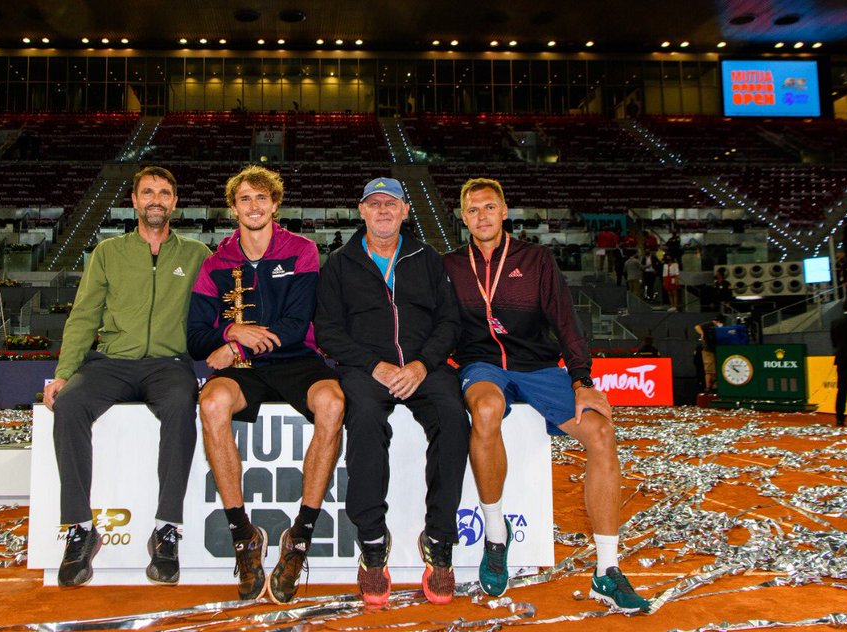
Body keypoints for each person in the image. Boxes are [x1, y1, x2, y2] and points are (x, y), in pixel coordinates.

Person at [443, 177, 650, 613]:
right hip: (482, 363)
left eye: (489, 207)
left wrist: (582, 380)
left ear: (504, 211)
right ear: (464, 218)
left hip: (538, 365)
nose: (482, 216)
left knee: (601, 432)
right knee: (485, 409)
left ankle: (607, 570)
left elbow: (566, 320)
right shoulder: (450, 265)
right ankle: (496, 535)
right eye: (473, 210)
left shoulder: (535, 259)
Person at [41, 166, 210, 587]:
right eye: (148, 192)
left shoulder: (197, 255)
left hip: (169, 365)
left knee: (180, 405)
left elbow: (219, 313)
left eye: (165, 192)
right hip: (112, 362)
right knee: (71, 404)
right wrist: (63, 374)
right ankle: (80, 529)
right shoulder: (107, 253)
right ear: (134, 201)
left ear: (175, 202)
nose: (156, 199)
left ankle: (167, 529)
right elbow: (83, 317)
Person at [187, 165, 345, 603]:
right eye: (245, 199)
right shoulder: (215, 263)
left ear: (275, 204)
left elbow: (295, 326)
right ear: (233, 207)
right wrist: (229, 334)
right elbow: (197, 338)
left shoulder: (302, 251)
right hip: (246, 372)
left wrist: (235, 348)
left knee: (332, 403)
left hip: (295, 359)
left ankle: (299, 538)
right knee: (212, 402)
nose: (254, 206)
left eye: (262, 198)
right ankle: (244, 536)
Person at [315, 178, 469, 606]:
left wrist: (422, 364)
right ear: (361, 211)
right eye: (374, 203)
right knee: (363, 419)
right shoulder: (339, 265)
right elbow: (327, 330)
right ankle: (372, 541)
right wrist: (374, 366)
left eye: (392, 203)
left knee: (454, 418)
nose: (383, 210)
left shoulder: (428, 259)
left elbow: (450, 323)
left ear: (405, 211)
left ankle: (439, 538)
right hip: (367, 368)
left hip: (425, 366)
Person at [830, 299, 847, 427]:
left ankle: (839, 418)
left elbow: (834, 342)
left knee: (842, 390)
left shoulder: (835, 322)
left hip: (842, 360)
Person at [694, 315, 724, 393]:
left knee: (715, 370)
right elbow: (697, 327)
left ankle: (715, 386)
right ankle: (708, 387)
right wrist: (702, 334)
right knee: (709, 370)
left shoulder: (719, 329)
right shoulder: (709, 324)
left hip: (716, 349)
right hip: (708, 349)